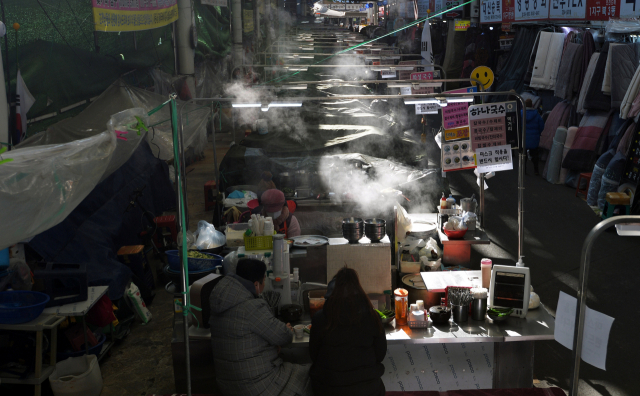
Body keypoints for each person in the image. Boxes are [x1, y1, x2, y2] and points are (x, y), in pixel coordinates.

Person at [209, 259, 312, 396]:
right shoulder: (251, 307)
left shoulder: (221, 300)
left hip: (228, 386)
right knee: (309, 375)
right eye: (264, 281)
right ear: (256, 284)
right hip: (258, 386)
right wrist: (285, 330)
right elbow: (283, 336)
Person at [309, 267, 387, 396]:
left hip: (328, 390)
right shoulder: (373, 317)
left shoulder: (319, 319)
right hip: (368, 390)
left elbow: (314, 356)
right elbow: (380, 355)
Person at [522, 98, 545, 175]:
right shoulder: (537, 114)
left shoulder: (521, 113)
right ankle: (536, 170)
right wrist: (538, 133)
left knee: (523, 155)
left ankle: (523, 170)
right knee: (535, 155)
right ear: (532, 105)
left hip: (523, 137)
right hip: (534, 138)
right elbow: (541, 125)